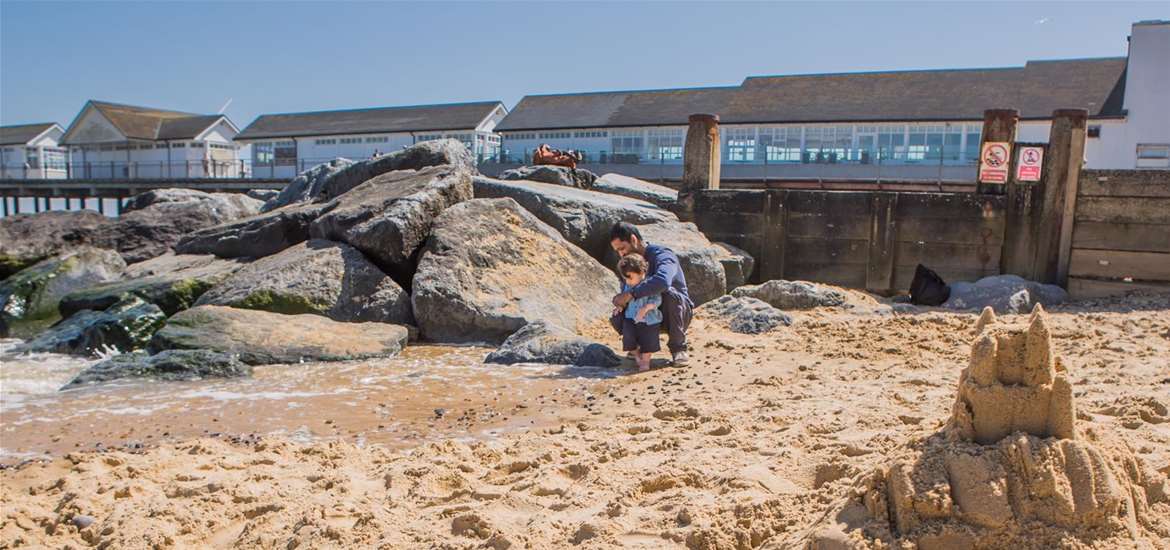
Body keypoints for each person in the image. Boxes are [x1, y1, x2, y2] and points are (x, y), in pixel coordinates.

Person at [609, 222, 693, 366]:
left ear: (634, 240)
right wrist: (620, 301)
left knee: (669, 294)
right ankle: (637, 345)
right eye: (617, 251)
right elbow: (626, 290)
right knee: (617, 312)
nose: (621, 254)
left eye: (622, 248)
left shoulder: (662, 254)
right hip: (645, 316)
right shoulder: (628, 263)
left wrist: (631, 294)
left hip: (673, 312)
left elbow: (663, 281)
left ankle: (678, 348)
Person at [616, 255, 662, 371]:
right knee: (628, 339)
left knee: (648, 340)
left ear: (642, 272)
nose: (628, 282)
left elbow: (657, 300)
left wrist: (646, 308)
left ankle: (645, 361)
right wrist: (620, 306)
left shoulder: (650, 284)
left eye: (630, 278)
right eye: (625, 279)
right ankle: (637, 356)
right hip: (630, 317)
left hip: (649, 319)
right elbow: (624, 299)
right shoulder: (628, 285)